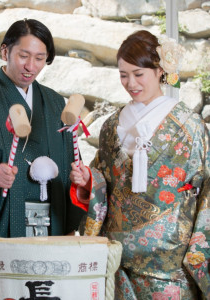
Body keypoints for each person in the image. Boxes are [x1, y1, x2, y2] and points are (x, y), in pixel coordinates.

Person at [0, 19, 85, 299]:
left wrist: (80, 178)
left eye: (40, 58)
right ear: (5, 52)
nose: (30, 66)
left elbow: (73, 159)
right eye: (23, 55)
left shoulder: (56, 103)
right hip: (2, 220)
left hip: (50, 224)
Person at [70, 30, 210, 299]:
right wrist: (89, 180)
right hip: (116, 259)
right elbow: (103, 177)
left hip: (170, 264)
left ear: (160, 71)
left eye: (138, 74)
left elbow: (205, 192)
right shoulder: (112, 125)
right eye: (123, 75)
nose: (130, 83)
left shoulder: (190, 126)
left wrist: (196, 255)